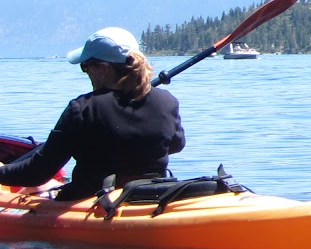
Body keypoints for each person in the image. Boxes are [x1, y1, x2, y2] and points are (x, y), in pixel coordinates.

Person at [0, 26, 185, 202]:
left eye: (86, 66)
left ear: (103, 68)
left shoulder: (82, 109)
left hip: (92, 200)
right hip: (150, 197)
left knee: (42, 187)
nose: (86, 72)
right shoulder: (167, 102)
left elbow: (37, 173)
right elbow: (175, 145)